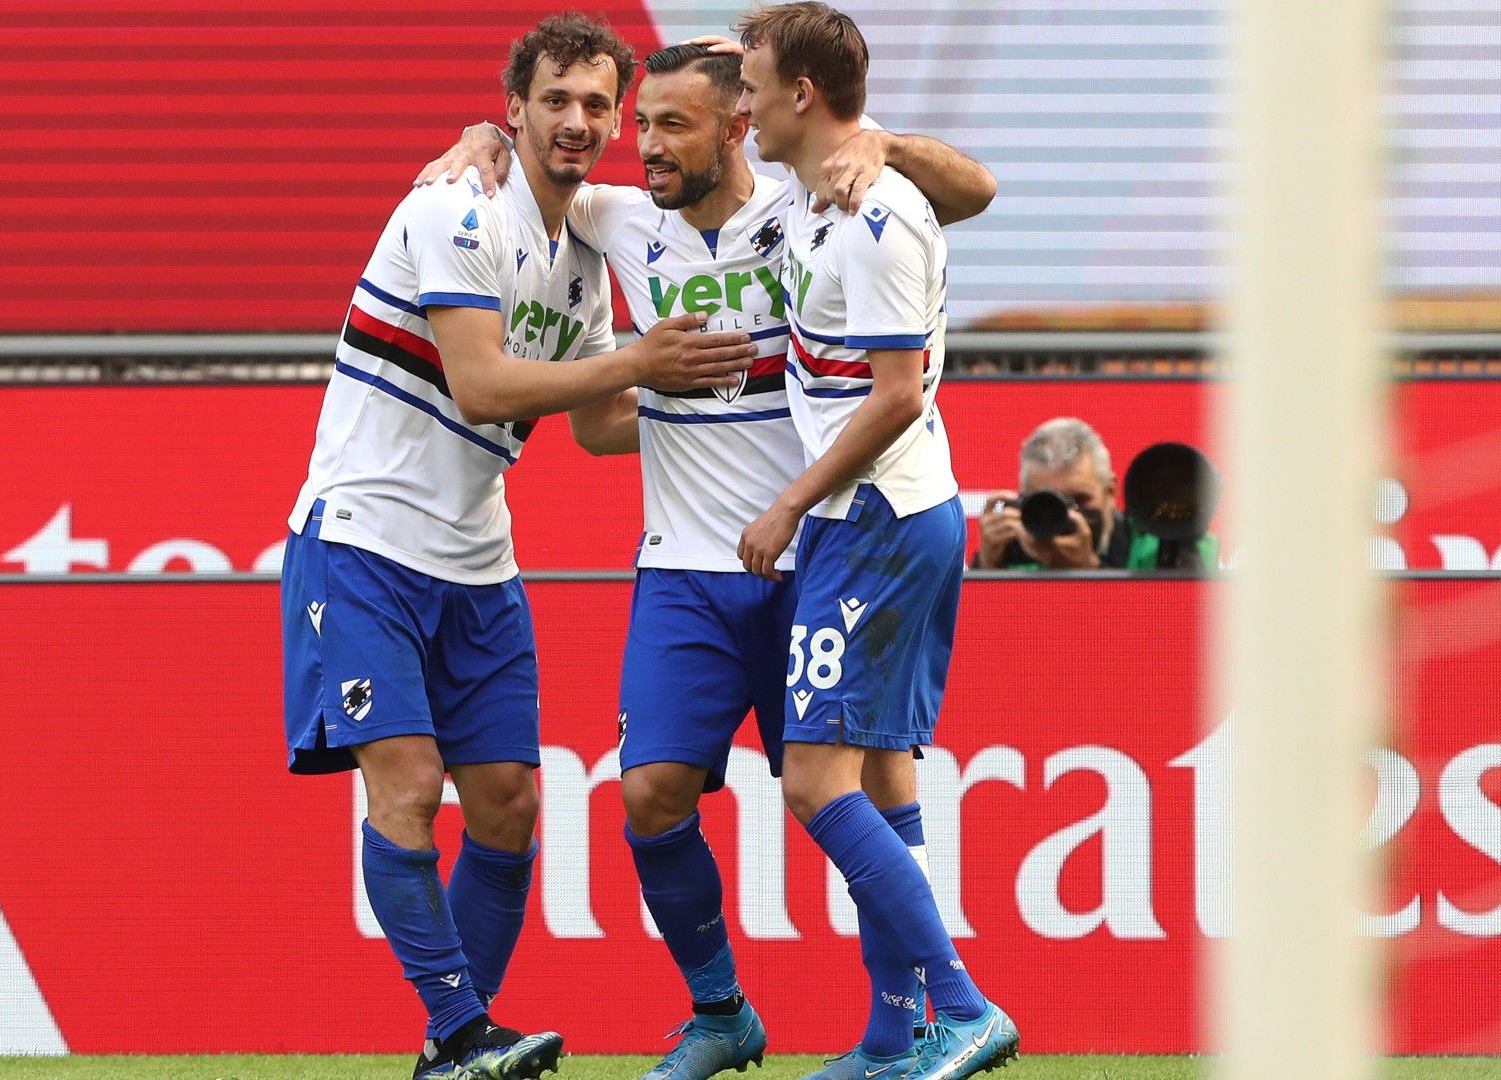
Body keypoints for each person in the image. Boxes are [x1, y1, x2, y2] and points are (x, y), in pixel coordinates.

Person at [415, 39, 997, 1080]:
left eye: (668, 124)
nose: (641, 147)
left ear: (738, 126)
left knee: (865, 782)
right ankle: (722, 1010)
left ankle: (908, 1025)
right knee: (650, 796)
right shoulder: (619, 220)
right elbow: (597, 423)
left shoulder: (810, 202)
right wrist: (476, 137)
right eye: (638, 125)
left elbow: (975, 191)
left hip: (809, 548)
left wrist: (885, 141)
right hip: (685, 565)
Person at [278, 15, 757, 1080]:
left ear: (620, 119)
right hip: (365, 540)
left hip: (480, 563)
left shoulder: (581, 255)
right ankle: (458, 1035)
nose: (576, 122)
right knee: (406, 786)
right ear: (514, 109)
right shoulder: (454, 207)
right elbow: (485, 386)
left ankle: (466, 1046)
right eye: (555, 101)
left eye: (597, 105)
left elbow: (595, 427)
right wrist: (642, 361)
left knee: (508, 805)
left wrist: (752, 400)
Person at [733, 5, 1019, 1079]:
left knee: (814, 781)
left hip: (876, 519)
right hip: (887, 518)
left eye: (755, 85)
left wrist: (789, 506)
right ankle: (893, 1038)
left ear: (802, 95)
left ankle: (963, 1007)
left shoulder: (876, 213)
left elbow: (899, 396)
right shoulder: (821, 192)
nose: (743, 105)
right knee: (887, 784)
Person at [975, 417, 1123, 571]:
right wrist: (986, 567)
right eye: (1047, 503)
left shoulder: (1145, 547)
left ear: (1110, 492)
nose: (1065, 514)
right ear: (1023, 499)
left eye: (1078, 500)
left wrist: (1088, 569)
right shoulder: (1011, 548)